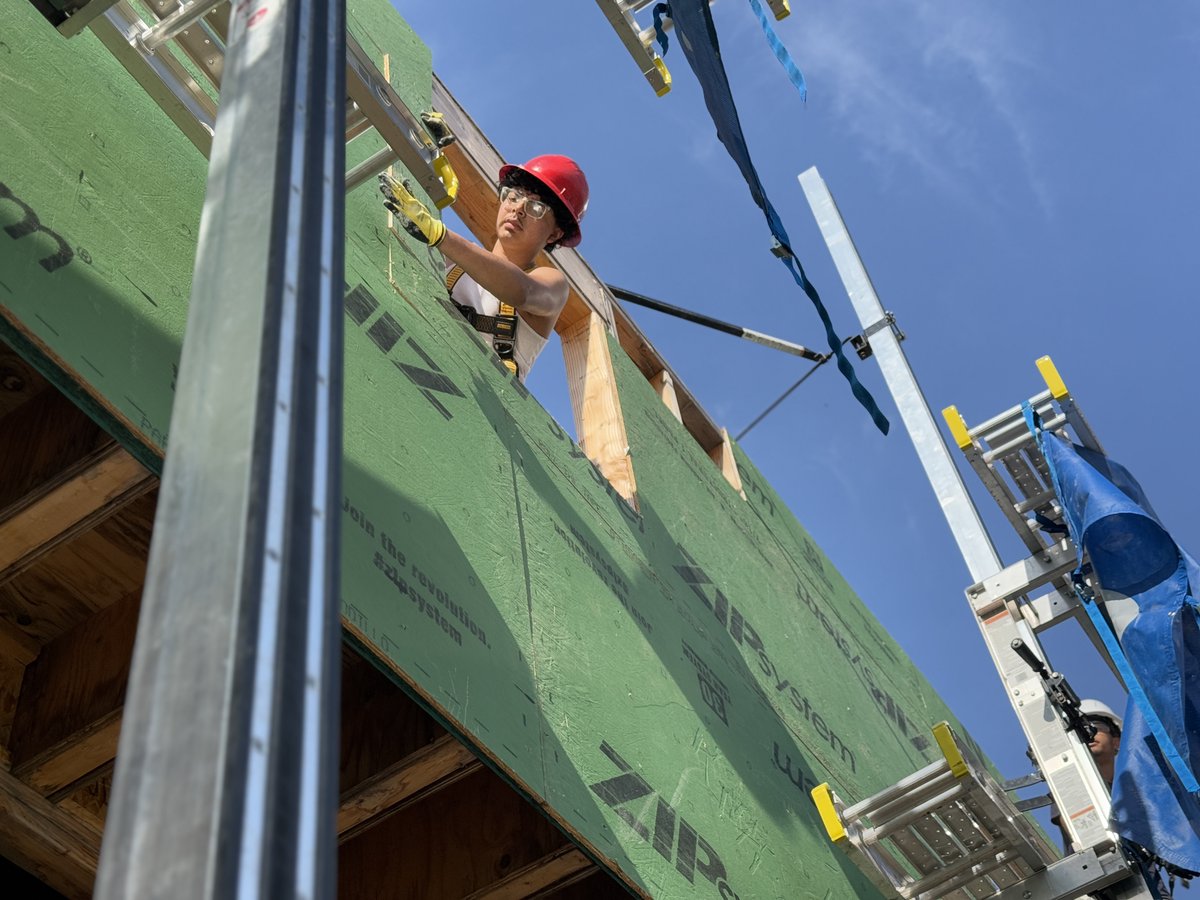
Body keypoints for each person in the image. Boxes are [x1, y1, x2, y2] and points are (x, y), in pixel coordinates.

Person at [379, 154, 588, 381]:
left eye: (536, 207)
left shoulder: (552, 283)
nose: (518, 209)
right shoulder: (454, 263)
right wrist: (434, 157)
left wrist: (442, 237)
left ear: (555, 234)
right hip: (412, 366)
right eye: (514, 196)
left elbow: (523, 291)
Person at [1050, 699, 1123, 852]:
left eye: (1096, 727)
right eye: (1080, 729)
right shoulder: (1068, 783)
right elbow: (1084, 832)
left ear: (1116, 742)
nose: (1089, 733)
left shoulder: (1130, 792)